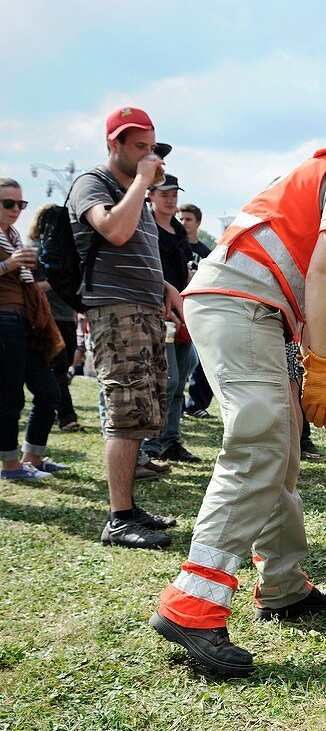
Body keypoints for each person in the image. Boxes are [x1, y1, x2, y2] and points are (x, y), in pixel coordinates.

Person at [151, 92, 326, 677]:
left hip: (246, 306)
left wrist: (314, 356)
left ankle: (281, 586)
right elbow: (324, 271)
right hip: (243, 304)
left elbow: (314, 275)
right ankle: (193, 604)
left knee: (276, 449)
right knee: (260, 445)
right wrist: (323, 364)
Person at [66, 107, 182, 549]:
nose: (149, 156)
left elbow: (134, 251)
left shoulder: (131, 191)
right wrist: (141, 183)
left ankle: (128, 508)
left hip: (144, 307)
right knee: (124, 410)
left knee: (141, 409)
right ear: (112, 145)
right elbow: (113, 230)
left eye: (153, 147)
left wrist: (166, 287)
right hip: (115, 310)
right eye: (140, 147)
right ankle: (117, 518)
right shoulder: (92, 184)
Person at [0, 179, 67, 481]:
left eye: (20, 204)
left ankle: (33, 457)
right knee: (10, 397)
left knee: (49, 391)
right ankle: (10, 466)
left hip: (26, 322)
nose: (16, 210)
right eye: (8, 203)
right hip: (4, 321)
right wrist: (9, 264)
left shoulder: (13, 237)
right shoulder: (11, 245)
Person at [142, 174, 201, 464]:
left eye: (174, 193)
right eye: (165, 193)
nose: (171, 198)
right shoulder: (145, 224)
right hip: (158, 310)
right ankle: (151, 443)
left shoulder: (177, 230)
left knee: (179, 382)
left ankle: (170, 440)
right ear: (151, 195)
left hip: (181, 312)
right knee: (167, 380)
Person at [27, 204, 85, 434]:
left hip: (66, 317)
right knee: (57, 369)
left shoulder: (65, 251)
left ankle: (55, 413)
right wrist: (56, 281)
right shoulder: (35, 252)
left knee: (60, 369)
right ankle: (66, 417)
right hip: (47, 318)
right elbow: (28, 288)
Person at [178, 203, 214, 419]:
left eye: (188, 219)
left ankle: (196, 404)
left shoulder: (206, 253)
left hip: (200, 310)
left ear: (198, 223)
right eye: (180, 218)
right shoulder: (173, 245)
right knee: (180, 362)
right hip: (175, 309)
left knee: (202, 360)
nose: (184, 223)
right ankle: (177, 404)